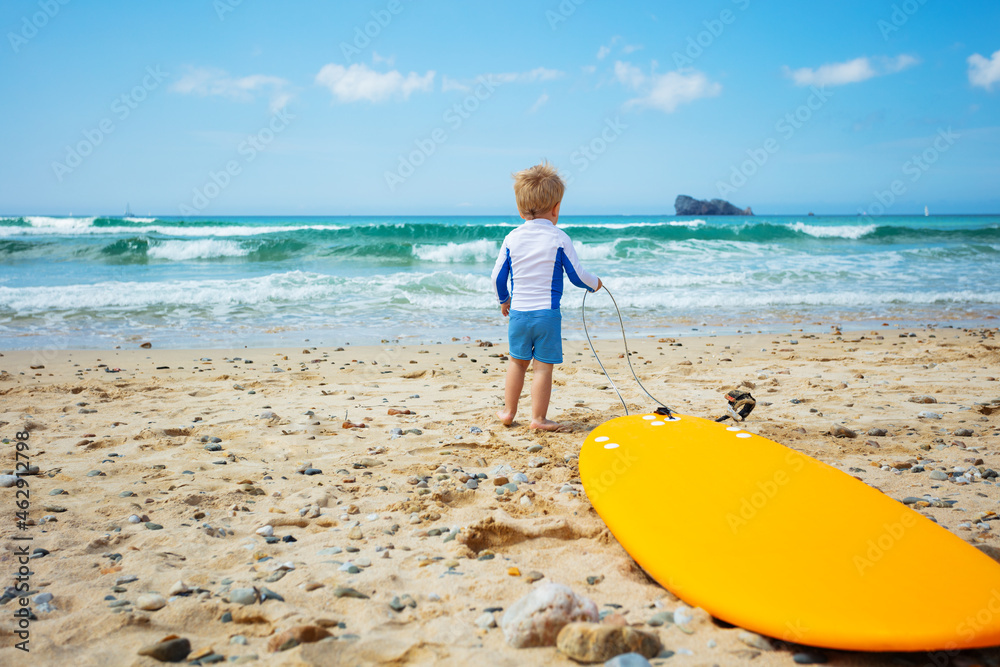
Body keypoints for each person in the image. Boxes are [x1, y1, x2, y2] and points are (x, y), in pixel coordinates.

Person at [491, 162, 602, 431]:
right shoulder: (559, 237)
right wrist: (595, 284)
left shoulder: (511, 238)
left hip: (518, 314)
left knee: (517, 364)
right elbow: (577, 275)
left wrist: (504, 300)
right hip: (547, 316)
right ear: (556, 208)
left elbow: (497, 277)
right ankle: (538, 419)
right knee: (542, 368)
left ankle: (508, 412)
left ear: (520, 210)